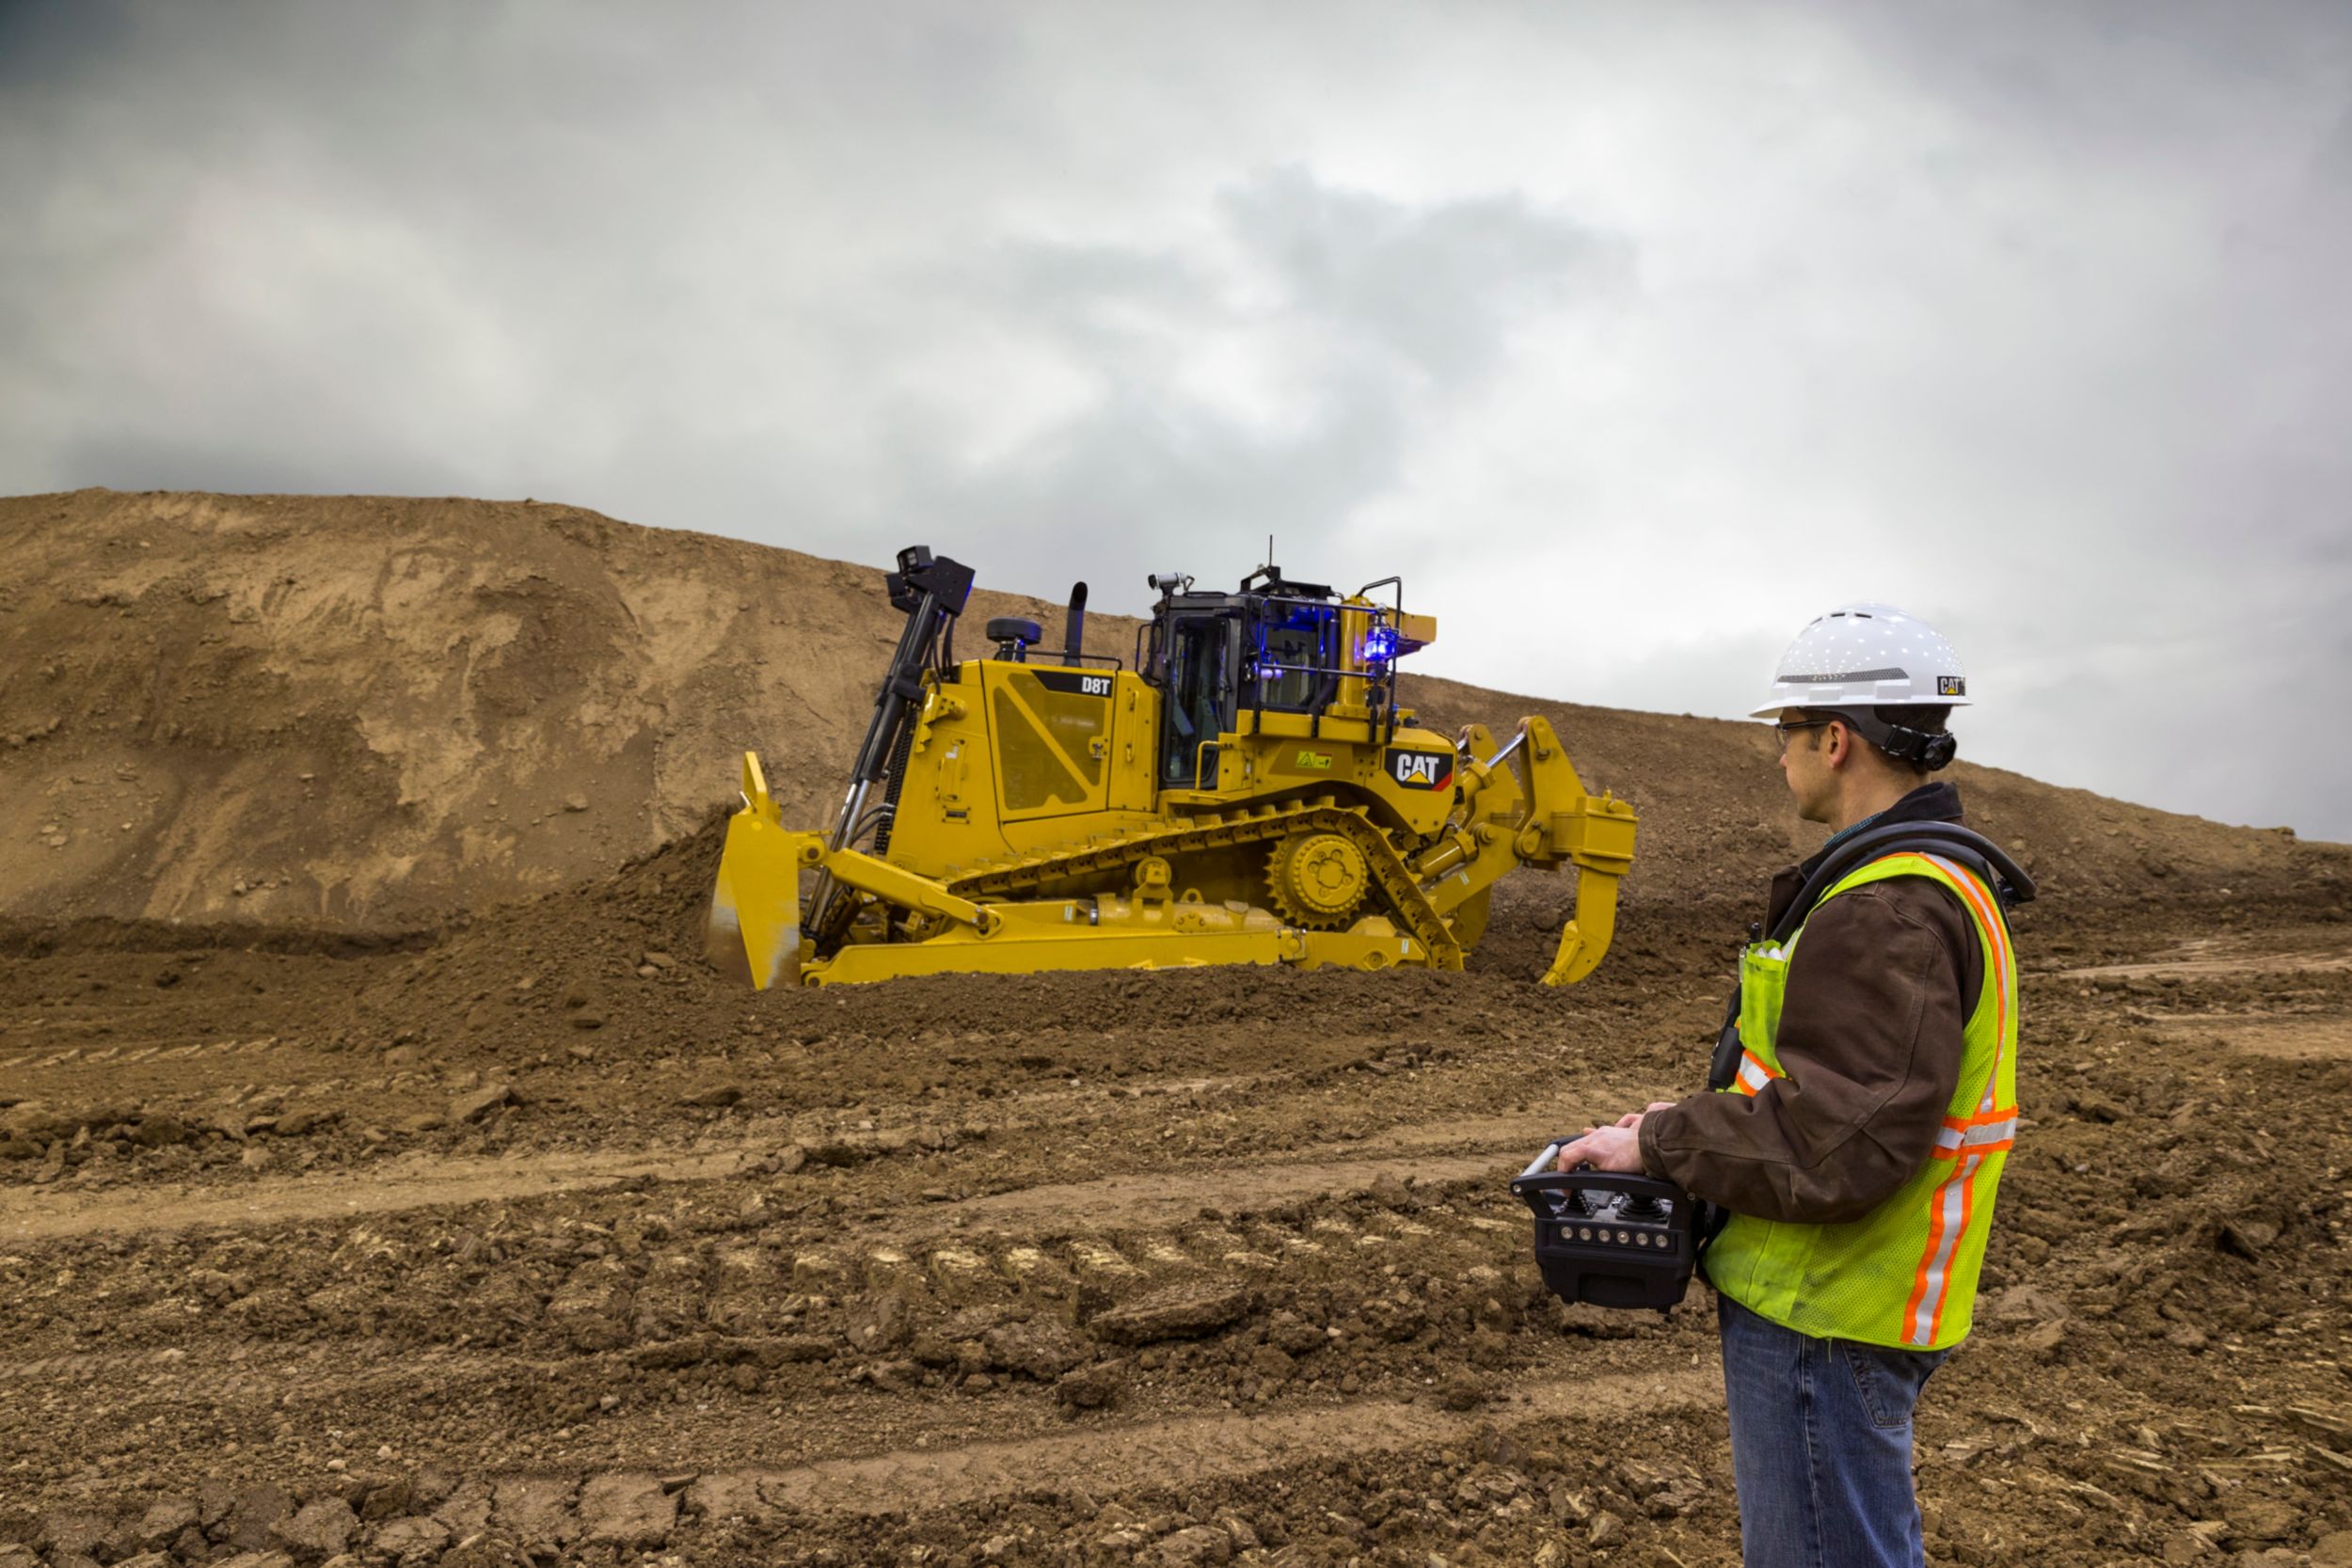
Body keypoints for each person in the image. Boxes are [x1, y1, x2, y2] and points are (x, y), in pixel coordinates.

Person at [1553, 603, 2023, 1568]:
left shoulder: (1887, 907)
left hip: (1823, 1305)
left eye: (1787, 733)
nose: (1779, 755)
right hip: (1847, 1295)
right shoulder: (1929, 879)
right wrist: (1687, 1121)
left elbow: (1838, 1140)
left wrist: (1662, 1142)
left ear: (1837, 739)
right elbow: (1832, 1090)